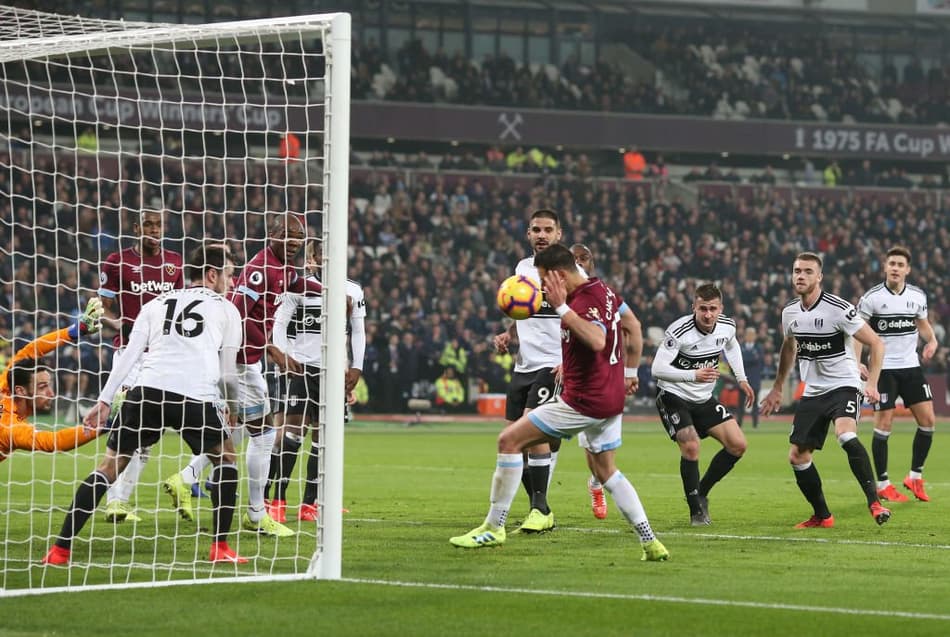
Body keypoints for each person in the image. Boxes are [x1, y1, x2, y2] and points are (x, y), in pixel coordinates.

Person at [450, 245, 668, 562]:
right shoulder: (603, 290)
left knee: (509, 440)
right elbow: (626, 326)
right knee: (607, 472)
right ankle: (650, 541)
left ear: (559, 275)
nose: (542, 288)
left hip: (583, 401)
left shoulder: (581, 301)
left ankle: (494, 528)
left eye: (544, 280)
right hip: (610, 399)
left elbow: (597, 340)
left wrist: (562, 307)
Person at [42, 246, 247, 565]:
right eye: (230, 275)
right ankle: (220, 548)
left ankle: (59, 551)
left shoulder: (155, 303)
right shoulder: (227, 309)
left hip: (146, 391)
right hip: (194, 396)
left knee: (108, 468)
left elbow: (129, 353)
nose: (232, 283)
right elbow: (227, 374)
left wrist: (104, 399)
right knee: (228, 459)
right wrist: (232, 407)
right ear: (211, 274)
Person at [163, 214, 320, 537]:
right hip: (240, 362)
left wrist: (331, 291)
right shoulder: (260, 269)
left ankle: (185, 478)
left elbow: (297, 284)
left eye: (298, 236)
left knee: (232, 432)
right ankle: (256, 514)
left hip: (244, 360)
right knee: (264, 435)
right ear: (272, 234)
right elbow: (237, 312)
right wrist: (271, 348)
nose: (294, 241)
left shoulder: (285, 267)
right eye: (287, 235)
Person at [761, 252, 891, 528]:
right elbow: (789, 347)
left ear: (819, 277)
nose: (801, 276)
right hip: (813, 391)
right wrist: (777, 387)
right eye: (797, 271)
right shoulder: (789, 312)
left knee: (845, 434)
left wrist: (871, 383)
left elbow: (876, 343)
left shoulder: (839, 309)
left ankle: (875, 502)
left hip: (844, 384)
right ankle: (822, 515)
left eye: (808, 271)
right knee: (797, 457)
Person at [263, 238, 365, 523]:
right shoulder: (298, 287)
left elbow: (358, 331)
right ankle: (277, 500)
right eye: (323, 254)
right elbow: (279, 323)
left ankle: (310, 503)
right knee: (292, 434)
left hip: (333, 372)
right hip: (302, 368)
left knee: (324, 438)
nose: (329, 258)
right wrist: (284, 357)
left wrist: (356, 367)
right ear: (314, 257)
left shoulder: (353, 290)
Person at [98, 208, 184, 523]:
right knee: (125, 426)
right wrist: (117, 322)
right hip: (130, 355)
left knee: (148, 432)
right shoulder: (117, 261)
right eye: (148, 224)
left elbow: (180, 308)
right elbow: (102, 307)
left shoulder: (175, 262)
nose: (154, 229)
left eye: (159, 224)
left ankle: (120, 502)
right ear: (137, 227)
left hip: (162, 356)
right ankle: (113, 501)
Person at [652, 284, 754, 526]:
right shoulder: (679, 331)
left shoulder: (727, 326)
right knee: (691, 446)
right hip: (673, 396)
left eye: (713, 309)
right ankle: (696, 511)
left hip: (703, 398)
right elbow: (657, 369)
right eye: (703, 309)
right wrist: (693, 375)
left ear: (721, 308)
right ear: (694, 308)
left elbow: (732, 345)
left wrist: (741, 378)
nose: (708, 315)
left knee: (738, 445)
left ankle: (702, 491)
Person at [493, 209, 562, 534]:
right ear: (528, 234)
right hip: (524, 365)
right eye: (536, 229)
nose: (542, 235)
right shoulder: (522, 268)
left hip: (553, 364)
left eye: (548, 229)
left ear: (559, 234)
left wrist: (569, 362)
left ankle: (539, 508)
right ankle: (540, 507)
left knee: (532, 433)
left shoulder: (570, 271)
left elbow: (584, 318)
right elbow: (526, 310)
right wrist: (510, 333)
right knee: (512, 441)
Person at [854, 246, 939, 502]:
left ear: (907, 270)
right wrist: (856, 362)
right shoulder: (871, 298)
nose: (895, 268)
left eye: (900, 265)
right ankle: (883, 484)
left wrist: (932, 340)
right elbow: (857, 331)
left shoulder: (917, 296)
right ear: (885, 267)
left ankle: (914, 476)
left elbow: (922, 323)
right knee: (884, 425)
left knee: (928, 420)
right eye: (892, 263)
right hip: (884, 369)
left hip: (911, 367)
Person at [570, 243, 644, 521]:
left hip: (604, 381)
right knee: (590, 448)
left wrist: (630, 372)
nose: (579, 262)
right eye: (573, 259)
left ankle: (596, 483)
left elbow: (633, 326)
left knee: (603, 454)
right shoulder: (565, 296)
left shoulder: (606, 295)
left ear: (592, 263)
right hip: (579, 381)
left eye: (584, 258)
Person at [1, 300, 104, 462]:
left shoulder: (8, 383)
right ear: (20, 391)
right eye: (42, 387)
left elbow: (32, 349)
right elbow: (53, 441)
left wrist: (76, 330)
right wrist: (103, 425)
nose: (51, 393)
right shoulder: (10, 428)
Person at [736, 327, 765, 428]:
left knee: (755, 403)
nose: (750, 336)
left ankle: (755, 424)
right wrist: (752, 359)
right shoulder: (740, 347)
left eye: (752, 334)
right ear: (745, 336)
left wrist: (748, 360)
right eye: (748, 334)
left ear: (755, 336)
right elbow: (740, 361)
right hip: (743, 379)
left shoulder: (759, 348)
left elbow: (761, 363)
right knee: (740, 404)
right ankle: (739, 423)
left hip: (755, 379)